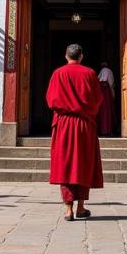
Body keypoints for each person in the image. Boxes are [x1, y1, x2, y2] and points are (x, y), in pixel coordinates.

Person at [46, 43, 103, 221]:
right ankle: (81, 207)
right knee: (83, 163)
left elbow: (51, 100)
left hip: (63, 124)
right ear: (81, 56)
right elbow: (97, 99)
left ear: (66, 56)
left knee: (66, 164)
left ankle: (68, 210)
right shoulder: (90, 73)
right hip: (85, 124)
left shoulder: (58, 73)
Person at [97, 62, 116, 136]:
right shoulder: (109, 71)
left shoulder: (103, 71)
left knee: (103, 111)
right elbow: (111, 83)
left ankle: (103, 130)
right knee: (108, 111)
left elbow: (100, 79)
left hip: (103, 92)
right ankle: (108, 130)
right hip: (108, 92)